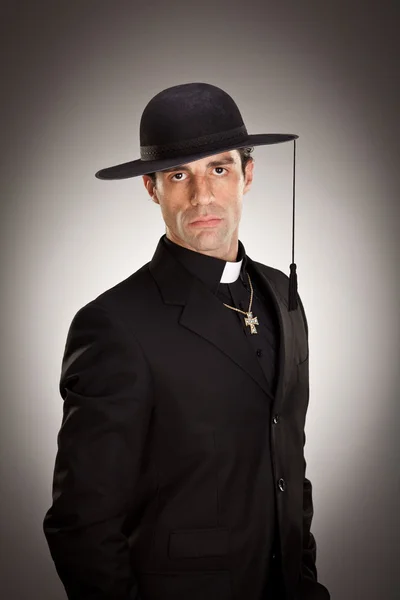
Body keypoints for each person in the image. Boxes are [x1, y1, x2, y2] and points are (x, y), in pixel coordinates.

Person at [43, 82, 330, 600]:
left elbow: (290, 460)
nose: (202, 196)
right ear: (152, 188)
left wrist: (305, 580)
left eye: (218, 169)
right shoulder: (112, 325)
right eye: (180, 175)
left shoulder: (283, 294)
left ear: (247, 174)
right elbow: (80, 524)